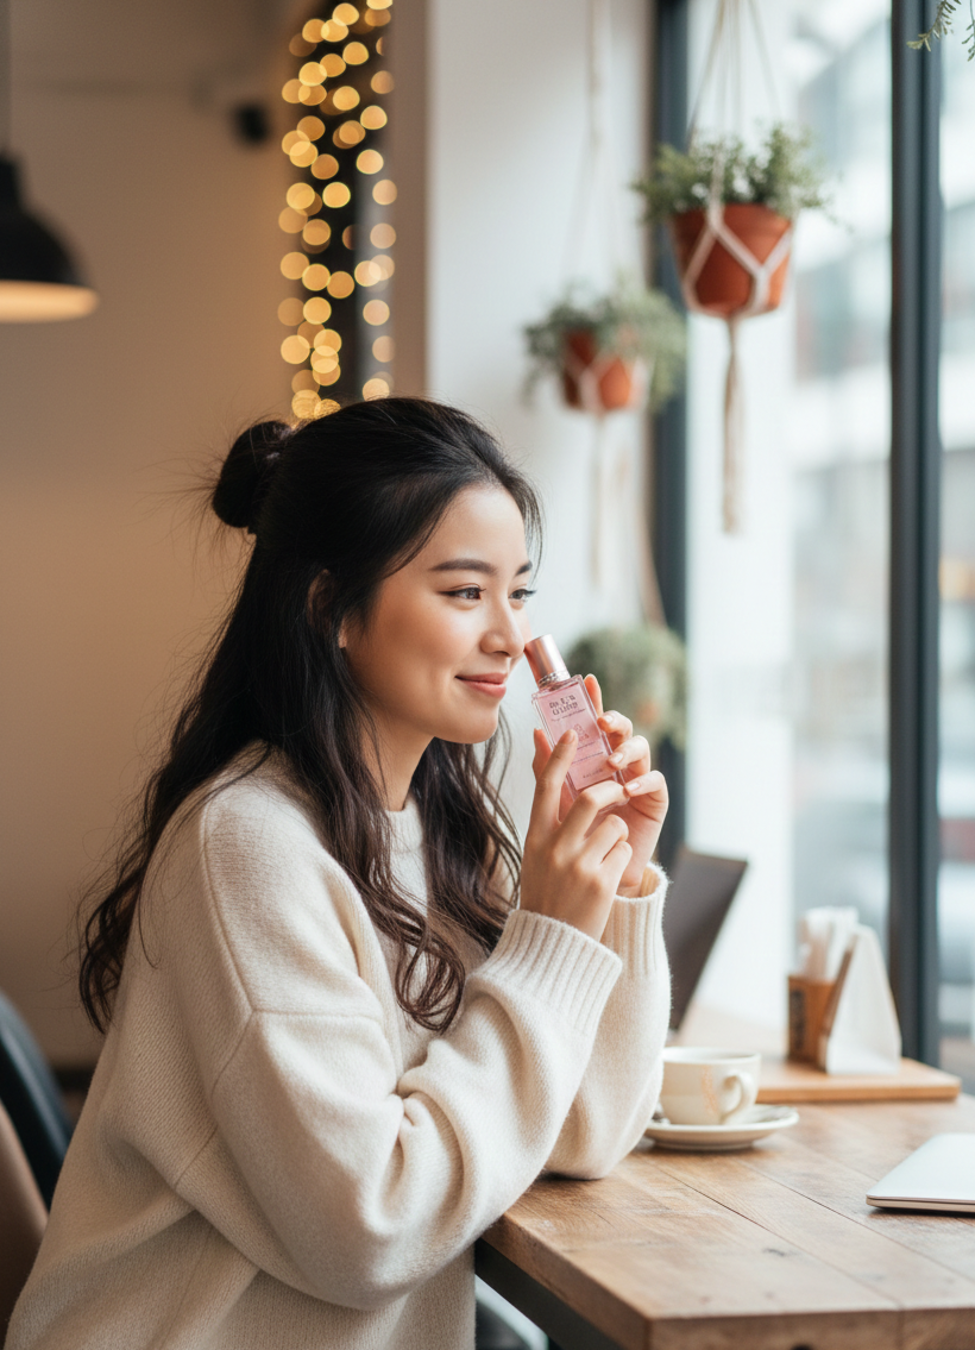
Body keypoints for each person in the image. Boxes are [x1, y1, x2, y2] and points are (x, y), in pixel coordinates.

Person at [6, 397, 671, 1350]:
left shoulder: (436, 832)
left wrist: (616, 894)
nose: (508, 638)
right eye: (461, 592)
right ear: (331, 609)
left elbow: (579, 1133)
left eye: (518, 593)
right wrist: (550, 942)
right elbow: (372, 1227)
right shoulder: (250, 845)